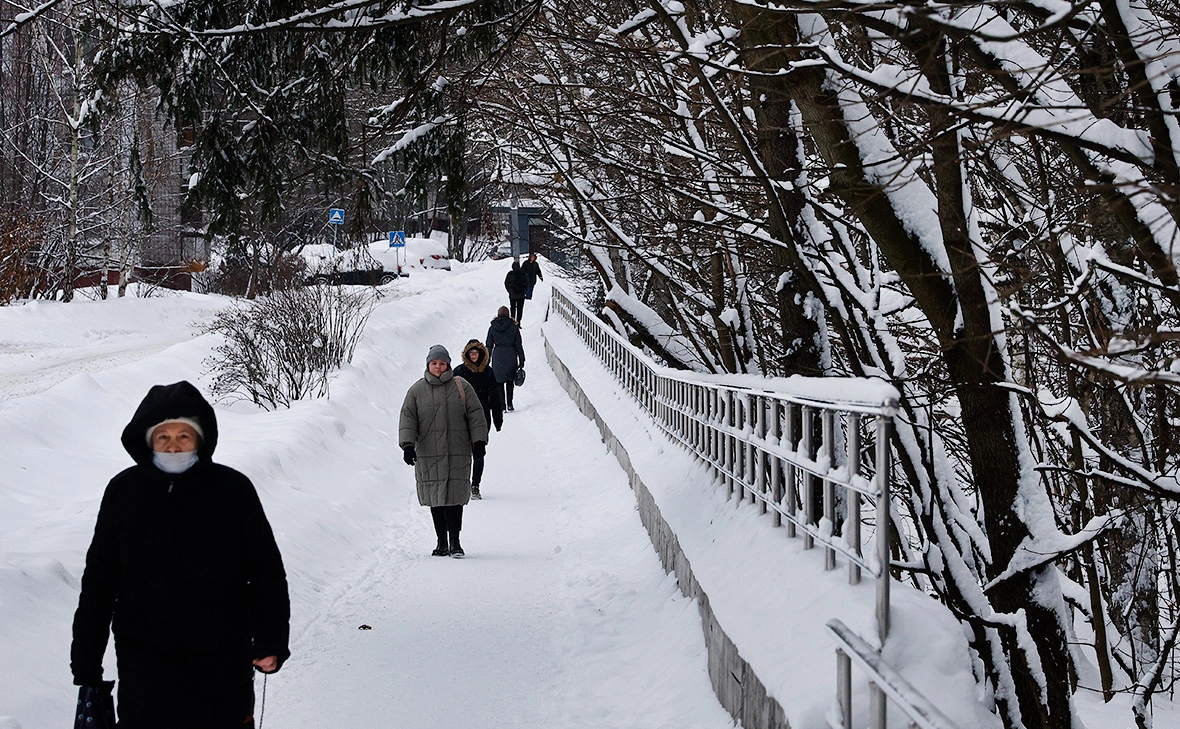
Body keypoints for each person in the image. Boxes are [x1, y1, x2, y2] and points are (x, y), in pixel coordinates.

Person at [71, 381, 290, 729]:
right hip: (144, 666)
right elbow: (99, 582)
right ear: (148, 441)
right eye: (163, 437)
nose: (173, 446)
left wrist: (270, 640)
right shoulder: (123, 493)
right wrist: (86, 660)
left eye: (183, 436)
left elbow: (265, 575)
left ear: (201, 439)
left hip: (221, 664)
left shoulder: (233, 491)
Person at [400, 344, 489, 557]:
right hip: (428, 452)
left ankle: (455, 542)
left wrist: (478, 442)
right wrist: (408, 445)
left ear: (448, 364)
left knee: (455, 498)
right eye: (434, 363)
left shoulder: (461, 386)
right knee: (436, 498)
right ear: (428, 365)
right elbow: (407, 419)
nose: (438, 367)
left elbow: (476, 414)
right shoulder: (416, 391)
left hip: (457, 451)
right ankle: (441, 541)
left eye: (442, 363)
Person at [453, 340, 503, 500]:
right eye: (471, 353)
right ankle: (463, 483)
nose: (474, 356)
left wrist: (498, 418)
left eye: (476, 353)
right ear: (467, 354)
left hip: (482, 418)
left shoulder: (488, 372)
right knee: (462, 452)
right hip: (462, 417)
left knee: (479, 451)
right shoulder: (459, 372)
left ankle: (475, 486)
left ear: (481, 354)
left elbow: (495, 396)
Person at [486, 306, 525, 412]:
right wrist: (521, 359)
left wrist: (487, 359)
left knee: (499, 382)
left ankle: (502, 406)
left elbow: (489, 345)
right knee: (510, 381)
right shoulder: (513, 327)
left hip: (498, 355)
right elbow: (518, 344)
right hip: (511, 355)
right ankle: (510, 404)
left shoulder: (493, 327)